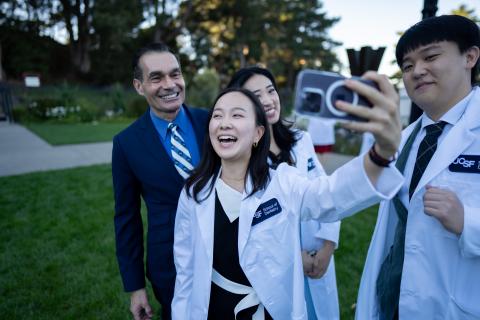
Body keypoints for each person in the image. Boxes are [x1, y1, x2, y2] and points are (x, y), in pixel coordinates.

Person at [172, 68, 403, 319]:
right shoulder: (194, 193)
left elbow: (331, 194)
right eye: (217, 116)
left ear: (258, 133)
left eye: (237, 115)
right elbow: (185, 272)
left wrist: (380, 154)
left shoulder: (282, 181)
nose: (225, 123)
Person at [355, 15, 480, 320]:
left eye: (431, 56)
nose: (417, 71)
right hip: (395, 300)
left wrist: (469, 222)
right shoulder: (403, 138)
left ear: (470, 56)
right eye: (408, 66)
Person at [227, 66, 340, 319]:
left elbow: (327, 193)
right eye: (257, 96)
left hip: (319, 256)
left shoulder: (302, 141)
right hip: (279, 268)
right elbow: (248, 227)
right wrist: (294, 256)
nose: (268, 100)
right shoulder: (240, 159)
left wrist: (328, 246)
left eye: (271, 91)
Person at [112, 42, 209, 320]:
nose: (169, 84)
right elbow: (126, 218)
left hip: (230, 254)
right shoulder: (126, 144)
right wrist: (135, 287)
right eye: (156, 77)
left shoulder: (211, 121)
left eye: (175, 74)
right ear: (139, 86)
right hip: (170, 265)